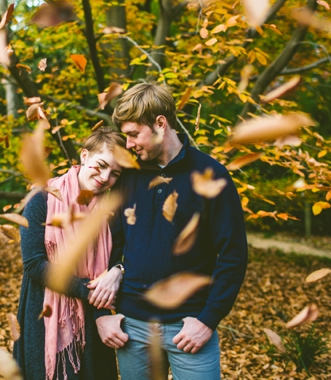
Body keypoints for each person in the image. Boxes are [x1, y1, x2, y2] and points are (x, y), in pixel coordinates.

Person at [95, 81, 248, 379]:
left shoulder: (211, 175)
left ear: (161, 124)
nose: (128, 145)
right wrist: (102, 315)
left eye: (133, 134)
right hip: (132, 328)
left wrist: (208, 320)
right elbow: (106, 244)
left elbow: (233, 254)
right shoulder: (127, 176)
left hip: (188, 329)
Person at [14, 127, 126, 380]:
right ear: (84, 156)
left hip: (94, 315)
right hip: (44, 313)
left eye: (115, 173)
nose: (105, 176)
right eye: (101, 165)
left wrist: (118, 272)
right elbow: (34, 264)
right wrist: (89, 290)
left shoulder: (111, 214)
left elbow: (119, 259)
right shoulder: (42, 199)